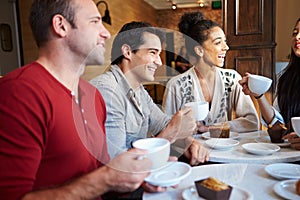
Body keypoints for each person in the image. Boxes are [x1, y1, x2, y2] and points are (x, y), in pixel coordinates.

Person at [0, 0, 154, 199]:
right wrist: (106, 178)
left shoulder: (93, 96)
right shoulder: (20, 93)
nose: (106, 33)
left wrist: (138, 177)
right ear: (61, 26)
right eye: (95, 22)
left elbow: (98, 176)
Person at [91, 21, 209, 166]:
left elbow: (163, 124)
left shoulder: (139, 91)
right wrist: (173, 132)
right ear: (127, 52)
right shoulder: (108, 90)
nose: (159, 62)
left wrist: (189, 142)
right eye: (153, 52)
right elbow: (115, 162)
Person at [162, 12, 259, 133]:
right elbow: (166, 128)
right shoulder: (176, 85)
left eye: (225, 42)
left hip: (226, 149)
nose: (226, 47)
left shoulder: (232, 79)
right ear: (199, 50)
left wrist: (210, 128)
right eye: (218, 43)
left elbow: (252, 122)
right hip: (190, 150)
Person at [239, 18, 300, 149]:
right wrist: (259, 95)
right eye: (295, 33)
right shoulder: (286, 78)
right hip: (289, 156)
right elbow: (278, 124)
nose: (297, 37)